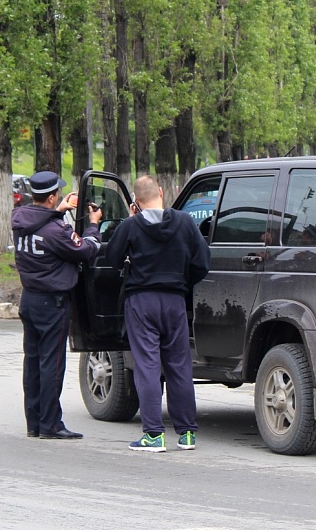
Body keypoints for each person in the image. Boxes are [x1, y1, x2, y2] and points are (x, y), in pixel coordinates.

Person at [105, 175, 210, 452]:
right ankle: (187, 433)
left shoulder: (131, 225)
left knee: (148, 365)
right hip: (174, 301)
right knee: (179, 366)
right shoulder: (185, 222)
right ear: (161, 192)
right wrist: (183, 283)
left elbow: (111, 259)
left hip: (142, 302)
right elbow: (203, 262)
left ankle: (153, 435)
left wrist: (130, 222)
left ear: (136, 203)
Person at [12, 171, 102, 440]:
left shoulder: (21, 220)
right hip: (52, 303)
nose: (61, 197)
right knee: (52, 364)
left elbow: (44, 225)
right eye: (58, 195)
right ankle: (50, 425)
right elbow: (86, 249)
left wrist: (58, 211)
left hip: (30, 299)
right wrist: (94, 225)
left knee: (33, 362)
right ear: (51, 197)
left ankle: (34, 423)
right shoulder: (56, 230)